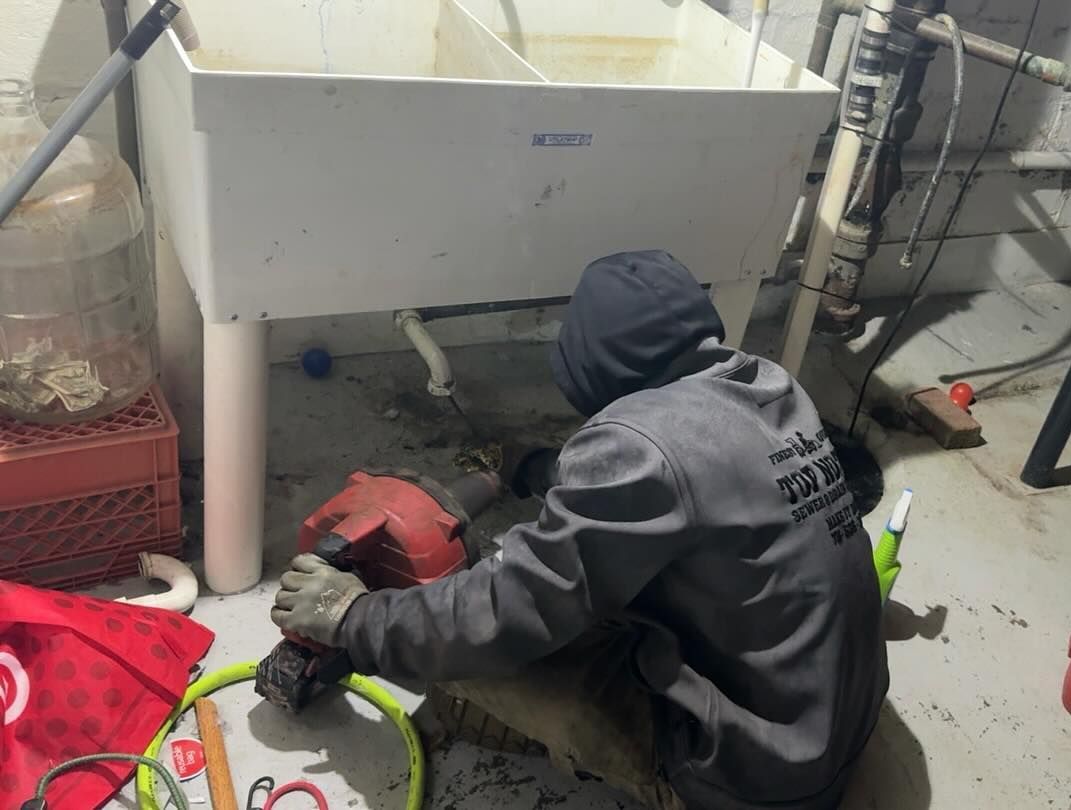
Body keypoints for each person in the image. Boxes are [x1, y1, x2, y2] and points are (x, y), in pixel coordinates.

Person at [271, 251, 888, 810]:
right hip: (832, 722)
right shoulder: (768, 385)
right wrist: (544, 470)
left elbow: (502, 614)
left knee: (453, 634)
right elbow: (698, 480)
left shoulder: (637, 449)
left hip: (746, 779)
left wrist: (354, 616)